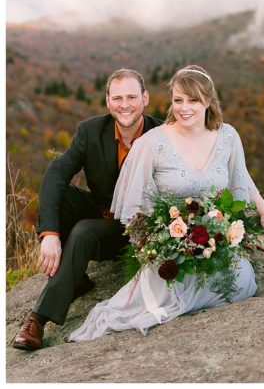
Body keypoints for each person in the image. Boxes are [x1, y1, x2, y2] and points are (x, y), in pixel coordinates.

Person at [66, 65, 264, 342]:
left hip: (214, 240)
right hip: (170, 248)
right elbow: (135, 204)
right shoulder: (152, 143)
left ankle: (194, 297)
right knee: (168, 290)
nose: (184, 108)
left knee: (242, 281)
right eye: (178, 100)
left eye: (193, 100)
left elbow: (240, 176)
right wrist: (157, 242)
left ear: (208, 100)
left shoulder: (228, 136)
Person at [13, 69, 162, 351]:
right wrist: (51, 234)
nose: (125, 104)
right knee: (58, 194)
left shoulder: (163, 135)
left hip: (138, 230)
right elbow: (56, 174)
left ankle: (39, 318)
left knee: (83, 231)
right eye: (117, 97)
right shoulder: (91, 130)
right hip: (103, 211)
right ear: (107, 101)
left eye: (132, 96)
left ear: (145, 98)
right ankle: (76, 280)